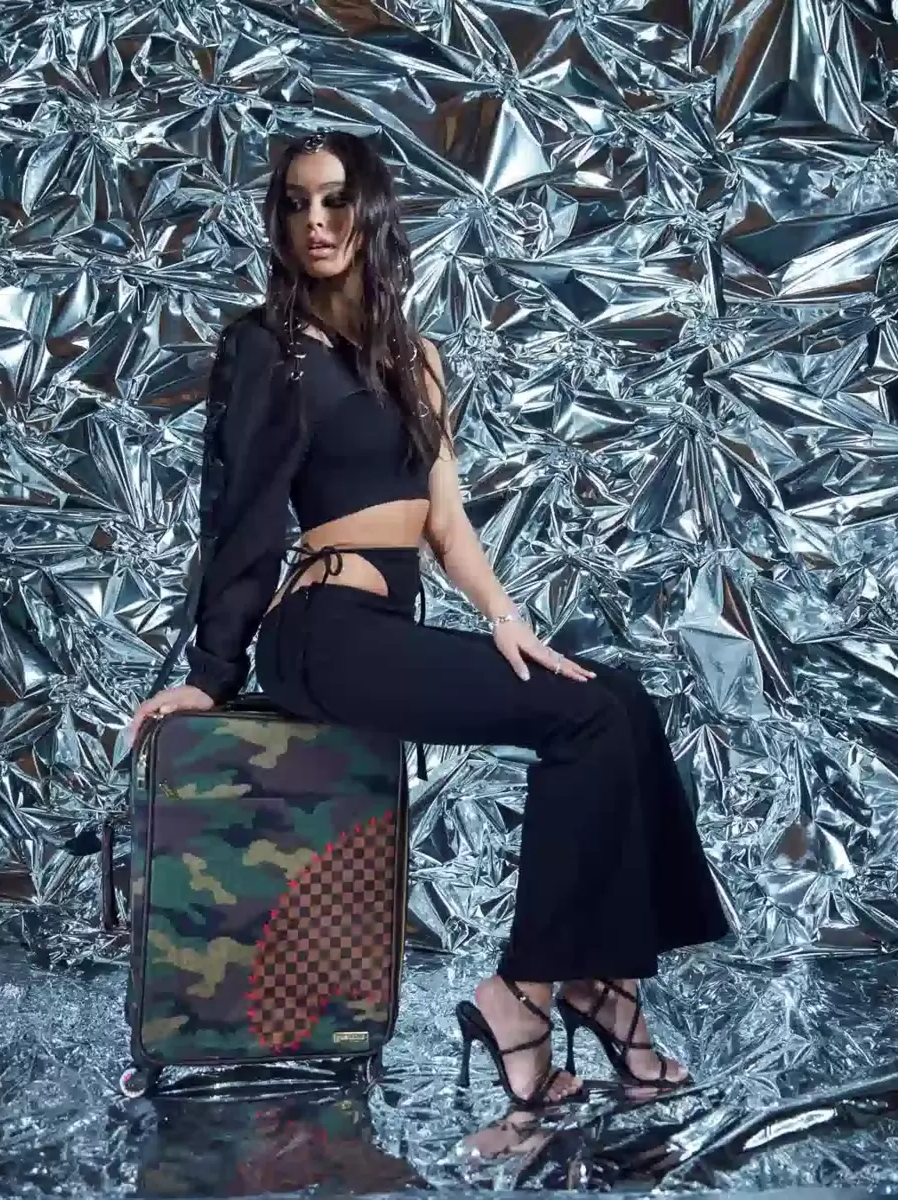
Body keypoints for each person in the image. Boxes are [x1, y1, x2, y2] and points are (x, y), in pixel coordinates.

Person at [128, 131, 729, 1108]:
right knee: (585, 718)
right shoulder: (268, 348)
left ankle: (600, 981)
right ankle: (528, 994)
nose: (316, 222)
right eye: (295, 203)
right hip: (321, 632)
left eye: (335, 200)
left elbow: (445, 521)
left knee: (619, 699)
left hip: (385, 629)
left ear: (370, 212)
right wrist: (208, 675)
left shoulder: (417, 359)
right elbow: (241, 516)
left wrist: (505, 618)